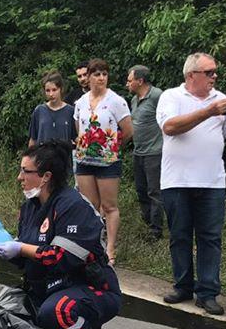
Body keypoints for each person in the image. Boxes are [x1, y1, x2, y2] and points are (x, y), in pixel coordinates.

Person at [0, 141, 121, 329]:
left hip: (88, 286)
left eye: (25, 171)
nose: (20, 177)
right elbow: (28, 260)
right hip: (48, 287)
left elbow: (60, 257)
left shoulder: (73, 206)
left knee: (57, 312)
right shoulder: (30, 207)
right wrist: (11, 246)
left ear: (46, 176)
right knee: (6, 307)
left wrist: (20, 247)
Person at [155, 52, 226, 315]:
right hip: (176, 180)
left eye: (215, 72)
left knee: (210, 238)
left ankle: (208, 292)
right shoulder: (171, 97)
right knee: (180, 236)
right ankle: (183, 286)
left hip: (212, 180)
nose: (214, 76)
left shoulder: (222, 99)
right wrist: (208, 111)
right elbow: (170, 127)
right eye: (209, 72)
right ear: (191, 75)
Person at [74, 58, 133, 264]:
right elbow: (78, 128)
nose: (101, 78)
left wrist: (112, 147)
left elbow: (128, 130)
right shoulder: (80, 102)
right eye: (97, 74)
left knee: (109, 206)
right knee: (89, 206)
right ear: (88, 77)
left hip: (108, 161)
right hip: (84, 160)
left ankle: (109, 249)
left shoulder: (116, 101)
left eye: (104, 74)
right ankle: (91, 244)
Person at [126, 65, 164, 239]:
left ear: (140, 81)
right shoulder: (134, 100)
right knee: (141, 190)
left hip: (154, 152)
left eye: (130, 80)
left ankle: (156, 230)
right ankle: (147, 223)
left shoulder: (157, 96)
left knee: (154, 191)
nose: (127, 84)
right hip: (138, 152)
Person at [28, 72, 76, 158]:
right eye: (48, 90)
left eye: (54, 90)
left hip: (63, 163)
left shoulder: (70, 111)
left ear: (60, 89)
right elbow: (33, 140)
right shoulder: (39, 111)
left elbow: (76, 138)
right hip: (42, 161)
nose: (51, 94)